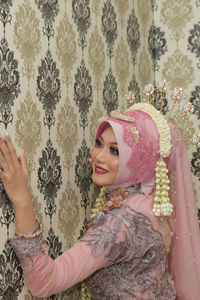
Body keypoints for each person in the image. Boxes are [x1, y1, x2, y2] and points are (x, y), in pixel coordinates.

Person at [0, 94, 200, 299]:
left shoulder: (121, 222)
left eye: (115, 151)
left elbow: (44, 283)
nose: (98, 156)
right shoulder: (148, 203)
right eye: (99, 143)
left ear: (141, 158)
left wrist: (22, 199)